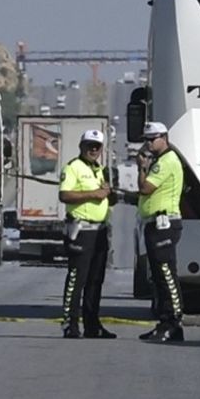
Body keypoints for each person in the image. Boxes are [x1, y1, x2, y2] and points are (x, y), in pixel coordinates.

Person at [58, 129, 115, 339]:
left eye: (97, 146)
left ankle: (92, 324)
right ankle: (70, 323)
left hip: (100, 230)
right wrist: (94, 193)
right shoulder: (73, 167)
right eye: (90, 145)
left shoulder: (100, 169)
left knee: (95, 280)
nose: (93, 150)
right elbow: (64, 195)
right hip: (82, 230)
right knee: (77, 278)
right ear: (81, 146)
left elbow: (106, 196)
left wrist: (110, 193)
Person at [136, 121, 185, 342]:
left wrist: (142, 168)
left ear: (163, 138)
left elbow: (146, 188)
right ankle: (165, 322)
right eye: (145, 139)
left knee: (166, 274)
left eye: (151, 139)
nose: (147, 144)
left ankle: (173, 322)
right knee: (157, 276)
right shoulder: (160, 160)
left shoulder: (166, 161)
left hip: (164, 224)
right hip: (154, 223)